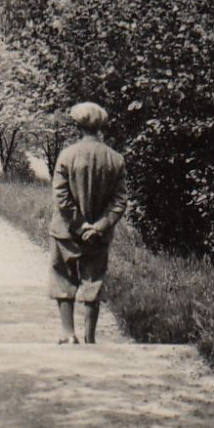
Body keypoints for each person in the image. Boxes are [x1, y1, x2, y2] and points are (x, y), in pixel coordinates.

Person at [47, 101, 128, 345]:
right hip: (98, 235)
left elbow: (61, 197)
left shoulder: (67, 155)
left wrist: (79, 225)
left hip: (66, 231)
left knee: (63, 277)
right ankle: (90, 338)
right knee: (94, 280)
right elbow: (119, 201)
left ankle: (68, 334)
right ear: (101, 126)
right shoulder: (115, 159)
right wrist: (99, 226)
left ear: (77, 125)